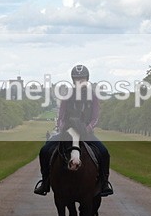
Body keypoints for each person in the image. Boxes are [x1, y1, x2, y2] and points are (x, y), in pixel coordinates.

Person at [33, 64, 113, 197]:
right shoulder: (67, 96)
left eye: (82, 79)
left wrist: (87, 129)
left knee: (104, 153)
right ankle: (45, 181)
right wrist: (64, 129)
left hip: (86, 133)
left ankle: (104, 183)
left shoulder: (93, 96)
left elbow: (95, 118)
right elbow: (61, 117)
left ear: (87, 79)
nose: (79, 82)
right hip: (68, 133)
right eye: (76, 79)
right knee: (45, 150)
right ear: (73, 80)